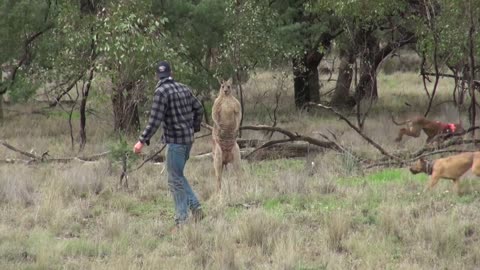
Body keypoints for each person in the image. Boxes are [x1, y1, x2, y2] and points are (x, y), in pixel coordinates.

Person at [133, 61, 205, 228]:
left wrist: (141, 141)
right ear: (171, 73)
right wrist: (193, 128)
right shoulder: (183, 88)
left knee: (175, 180)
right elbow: (199, 108)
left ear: (157, 76)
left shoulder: (161, 92)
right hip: (188, 141)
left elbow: (154, 120)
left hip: (175, 143)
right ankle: (196, 208)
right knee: (178, 176)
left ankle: (181, 219)